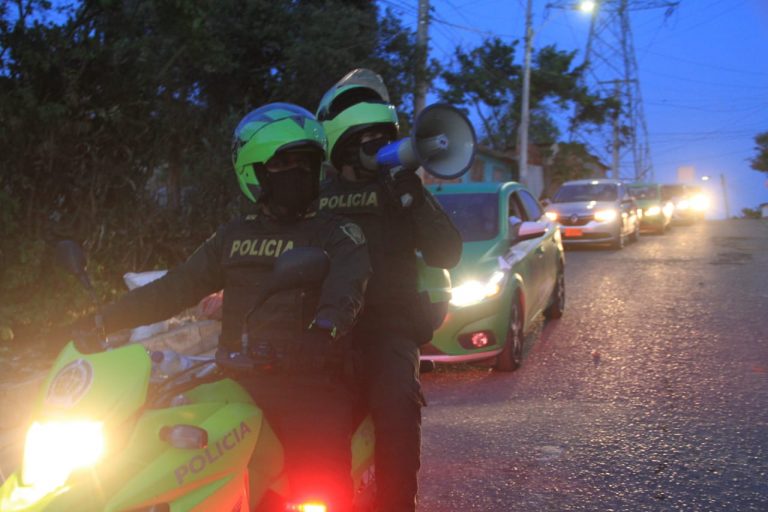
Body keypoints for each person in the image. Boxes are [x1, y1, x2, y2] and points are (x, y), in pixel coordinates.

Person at [71, 103, 371, 511]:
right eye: (284, 162)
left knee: (319, 482)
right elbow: (174, 288)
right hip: (236, 377)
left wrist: (322, 334)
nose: (298, 172)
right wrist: (104, 319)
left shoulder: (337, 234)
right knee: (149, 448)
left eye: (307, 162)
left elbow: (346, 293)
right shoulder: (232, 237)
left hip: (309, 384)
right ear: (255, 172)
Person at [316, 69, 463, 511]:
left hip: (389, 328)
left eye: (385, 137)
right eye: (369, 140)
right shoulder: (316, 196)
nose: (381, 147)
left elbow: (447, 252)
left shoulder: (401, 189)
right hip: (325, 330)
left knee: (398, 410)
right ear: (342, 146)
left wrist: (414, 198)